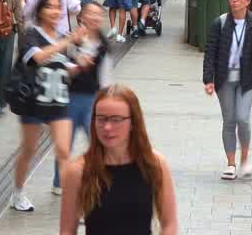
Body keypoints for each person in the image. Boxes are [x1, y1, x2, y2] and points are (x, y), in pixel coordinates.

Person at [58, 85, 178, 235]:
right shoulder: (78, 170)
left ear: (133, 122)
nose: (107, 127)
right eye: (101, 119)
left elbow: (169, 224)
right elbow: (67, 230)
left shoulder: (154, 164)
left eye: (116, 119)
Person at [10, 0, 89, 214]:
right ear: (40, 11)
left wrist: (80, 64)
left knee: (64, 151)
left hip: (58, 100)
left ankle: (72, 203)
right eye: (50, 8)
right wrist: (67, 42)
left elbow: (64, 67)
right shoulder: (30, 34)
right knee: (29, 150)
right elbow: (39, 57)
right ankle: (18, 192)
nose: (55, 12)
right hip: (33, 100)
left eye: (58, 8)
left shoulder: (64, 36)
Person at [201, 0, 252, 180]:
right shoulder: (220, 22)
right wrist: (208, 79)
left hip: (246, 79)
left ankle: (245, 158)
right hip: (224, 79)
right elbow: (211, 52)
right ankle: (231, 163)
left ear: (248, 1)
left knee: (243, 118)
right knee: (229, 120)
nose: (234, 0)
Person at [51, 3, 110, 195]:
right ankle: (59, 182)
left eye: (98, 15)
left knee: (97, 140)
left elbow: (105, 74)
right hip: (69, 98)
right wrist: (77, 62)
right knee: (64, 142)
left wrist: (108, 99)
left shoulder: (103, 43)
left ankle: (97, 178)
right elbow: (58, 67)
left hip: (93, 98)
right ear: (81, 17)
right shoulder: (71, 40)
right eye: (90, 14)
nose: (94, 18)